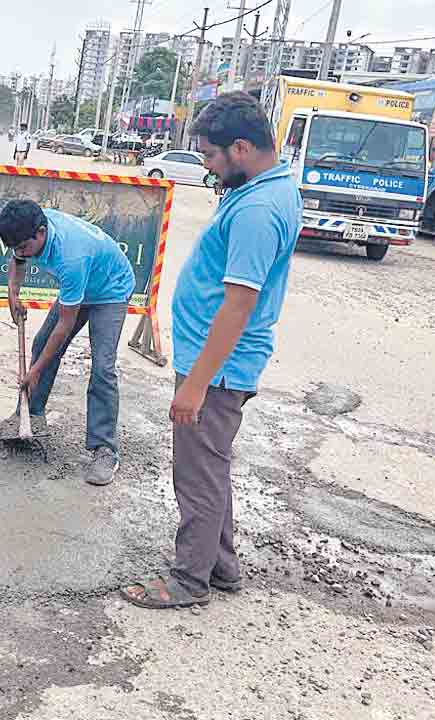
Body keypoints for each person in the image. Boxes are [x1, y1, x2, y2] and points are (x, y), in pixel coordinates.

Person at [121, 92, 301, 610]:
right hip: (218, 362)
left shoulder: (259, 210)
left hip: (217, 368)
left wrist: (196, 385)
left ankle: (189, 580)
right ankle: (220, 567)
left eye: (210, 155)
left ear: (240, 148)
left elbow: (239, 305)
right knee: (210, 466)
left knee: (196, 472)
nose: (206, 166)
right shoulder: (266, 189)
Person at [0, 200, 135, 486]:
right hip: (84, 282)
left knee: (103, 366)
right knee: (41, 344)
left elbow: (65, 325)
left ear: (41, 232)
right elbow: (18, 259)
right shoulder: (30, 226)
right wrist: (13, 292)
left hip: (111, 290)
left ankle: (105, 449)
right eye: (15, 247)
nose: (21, 252)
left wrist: (35, 372)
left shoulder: (71, 256)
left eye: (24, 246)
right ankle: (30, 415)